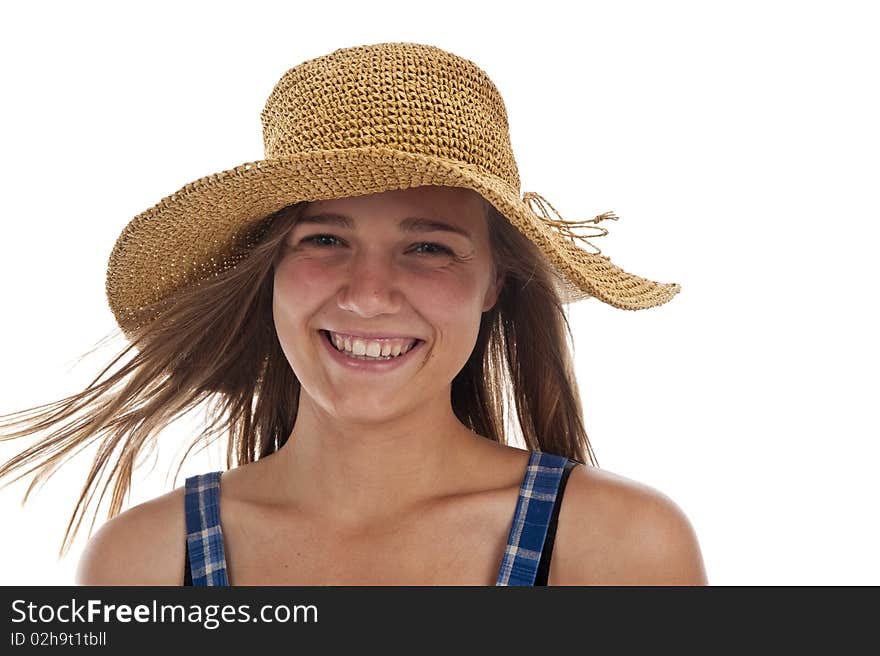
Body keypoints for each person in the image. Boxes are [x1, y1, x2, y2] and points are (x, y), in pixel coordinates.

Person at [0, 42, 706, 585]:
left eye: (428, 246)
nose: (368, 294)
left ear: (496, 282)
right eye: (326, 240)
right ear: (269, 269)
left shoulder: (619, 547)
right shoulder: (147, 563)